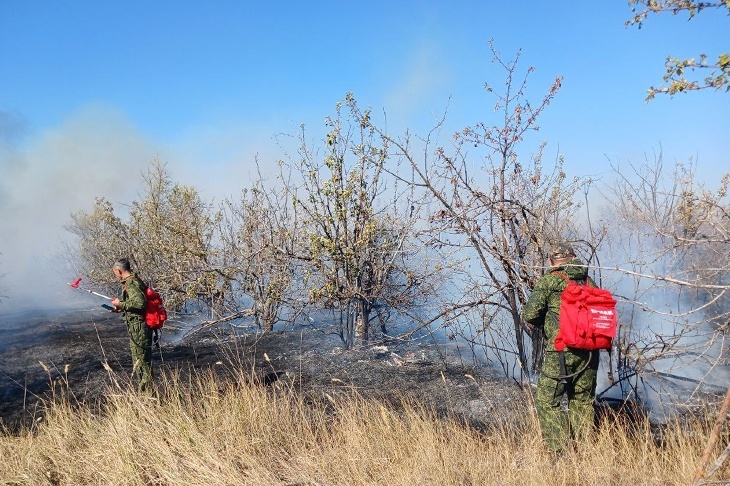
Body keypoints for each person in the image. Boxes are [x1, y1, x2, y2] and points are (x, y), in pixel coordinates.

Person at [522, 243, 600, 452]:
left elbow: (530, 315)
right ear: (574, 258)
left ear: (550, 262)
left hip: (561, 350)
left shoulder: (550, 280)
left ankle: (560, 452)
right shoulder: (588, 280)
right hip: (590, 351)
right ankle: (583, 451)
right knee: (582, 401)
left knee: (548, 401)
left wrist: (546, 323)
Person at [111, 258, 153, 392]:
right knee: (140, 361)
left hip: (139, 328)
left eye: (115, 273)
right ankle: (145, 392)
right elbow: (135, 303)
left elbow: (140, 304)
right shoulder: (134, 281)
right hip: (138, 327)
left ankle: (148, 394)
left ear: (118, 270)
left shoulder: (131, 283)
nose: (115, 275)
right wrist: (122, 308)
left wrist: (120, 304)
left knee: (142, 361)